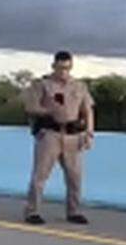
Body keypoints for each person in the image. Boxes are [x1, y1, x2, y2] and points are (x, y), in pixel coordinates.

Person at [21, 50, 95, 225]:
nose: (64, 72)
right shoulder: (43, 84)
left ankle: (73, 211)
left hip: (73, 135)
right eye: (61, 68)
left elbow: (88, 110)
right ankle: (32, 211)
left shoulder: (79, 86)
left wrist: (89, 133)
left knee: (75, 176)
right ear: (54, 66)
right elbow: (31, 107)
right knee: (40, 175)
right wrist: (50, 110)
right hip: (50, 133)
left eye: (67, 68)